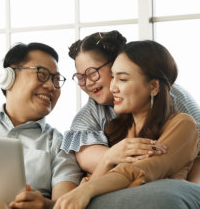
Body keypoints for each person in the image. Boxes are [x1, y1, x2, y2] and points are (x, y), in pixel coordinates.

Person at [60, 31, 200, 208]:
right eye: (80, 77)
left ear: (154, 86)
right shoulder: (111, 126)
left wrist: (90, 188)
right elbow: (85, 180)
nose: (113, 87)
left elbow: (143, 171)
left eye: (122, 78)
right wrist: (105, 163)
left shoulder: (182, 120)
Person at [0, 42, 83, 209]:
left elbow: (64, 204)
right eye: (42, 74)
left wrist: (45, 204)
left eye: (56, 80)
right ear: (8, 77)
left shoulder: (59, 145)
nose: (51, 86)